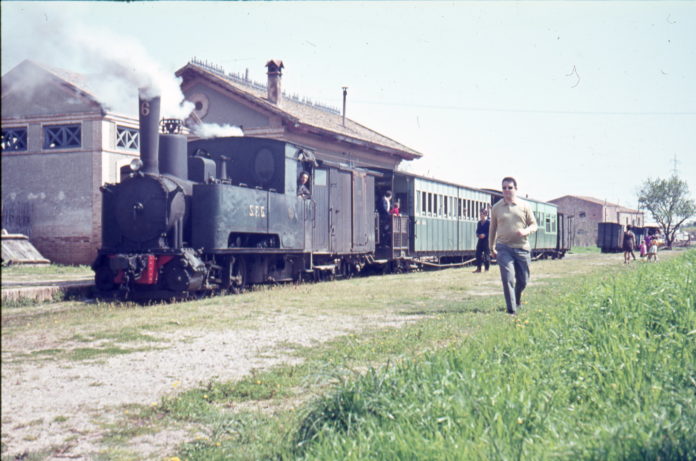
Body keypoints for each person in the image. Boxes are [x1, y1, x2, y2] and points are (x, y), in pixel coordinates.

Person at [489, 177, 538, 315]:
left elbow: (534, 225)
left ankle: (517, 299)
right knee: (508, 278)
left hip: (522, 248)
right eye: (504, 188)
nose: (506, 190)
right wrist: (491, 247)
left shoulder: (524, 206)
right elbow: (492, 229)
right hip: (503, 247)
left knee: (523, 280)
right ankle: (511, 310)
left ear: (516, 189)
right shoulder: (497, 208)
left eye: (510, 187)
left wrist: (525, 231)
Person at [473, 208, 490, 273]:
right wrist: (478, 234)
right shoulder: (479, 223)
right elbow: (477, 231)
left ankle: (486, 269)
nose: (480, 215)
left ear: (485, 214)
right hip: (480, 239)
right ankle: (479, 268)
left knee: (486, 254)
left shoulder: (488, 222)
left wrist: (485, 235)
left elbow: (490, 232)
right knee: (478, 253)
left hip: (486, 240)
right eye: (480, 214)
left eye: (482, 214)